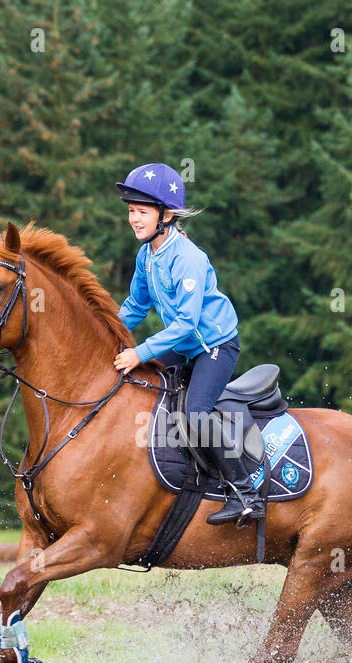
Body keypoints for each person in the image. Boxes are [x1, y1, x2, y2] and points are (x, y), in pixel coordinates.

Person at [112, 162, 261, 526]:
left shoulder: (188, 259)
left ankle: (246, 493)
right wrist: (107, 335)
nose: (134, 219)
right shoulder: (146, 255)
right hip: (186, 342)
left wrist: (139, 351)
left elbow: (185, 325)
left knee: (195, 411)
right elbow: (135, 306)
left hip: (214, 346)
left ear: (166, 215)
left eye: (142, 212)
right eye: (131, 211)